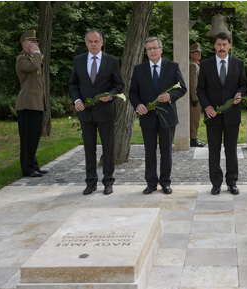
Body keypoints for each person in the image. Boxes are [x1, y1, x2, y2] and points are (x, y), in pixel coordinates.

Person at [69, 30, 124, 195]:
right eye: (90, 41)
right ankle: (90, 182)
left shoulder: (112, 61)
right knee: (89, 148)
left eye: (96, 41)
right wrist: (76, 100)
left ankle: (108, 182)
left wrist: (110, 96)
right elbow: (73, 84)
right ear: (86, 43)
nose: (93, 44)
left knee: (108, 148)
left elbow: (119, 85)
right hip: (85, 112)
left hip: (105, 112)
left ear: (102, 43)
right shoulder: (78, 61)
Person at [129, 37, 187, 195]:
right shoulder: (139, 69)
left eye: (155, 48)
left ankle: (165, 183)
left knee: (166, 151)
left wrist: (170, 96)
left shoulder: (172, 66)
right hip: (147, 117)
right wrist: (137, 105)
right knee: (149, 151)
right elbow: (133, 92)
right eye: (149, 49)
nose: (152, 51)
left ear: (161, 49)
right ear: (146, 52)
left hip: (167, 117)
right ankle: (151, 183)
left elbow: (182, 88)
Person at [197, 32, 247, 195]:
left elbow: (243, 85)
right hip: (213, 114)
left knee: (231, 149)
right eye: (219, 44)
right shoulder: (205, 65)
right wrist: (207, 107)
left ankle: (232, 182)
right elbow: (200, 89)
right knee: (214, 149)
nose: (221, 47)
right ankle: (216, 183)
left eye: (224, 44)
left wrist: (240, 94)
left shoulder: (238, 64)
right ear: (214, 46)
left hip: (232, 114)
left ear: (230, 46)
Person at [15, 30, 47, 178]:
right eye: (33, 42)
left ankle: (33, 165)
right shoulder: (22, 59)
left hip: (36, 103)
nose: (36, 44)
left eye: (36, 42)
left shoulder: (32, 58)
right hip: (27, 104)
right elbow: (34, 67)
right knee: (27, 138)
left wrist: (35, 54)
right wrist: (36, 53)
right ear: (25, 44)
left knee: (33, 137)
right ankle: (27, 169)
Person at [189, 43, 206, 147]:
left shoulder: (195, 64)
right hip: (194, 98)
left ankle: (193, 137)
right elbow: (193, 83)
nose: (199, 54)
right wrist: (195, 98)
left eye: (199, 52)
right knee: (194, 118)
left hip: (195, 96)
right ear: (192, 54)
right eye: (197, 52)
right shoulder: (192, 65)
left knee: (195, 118)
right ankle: (193, 138)